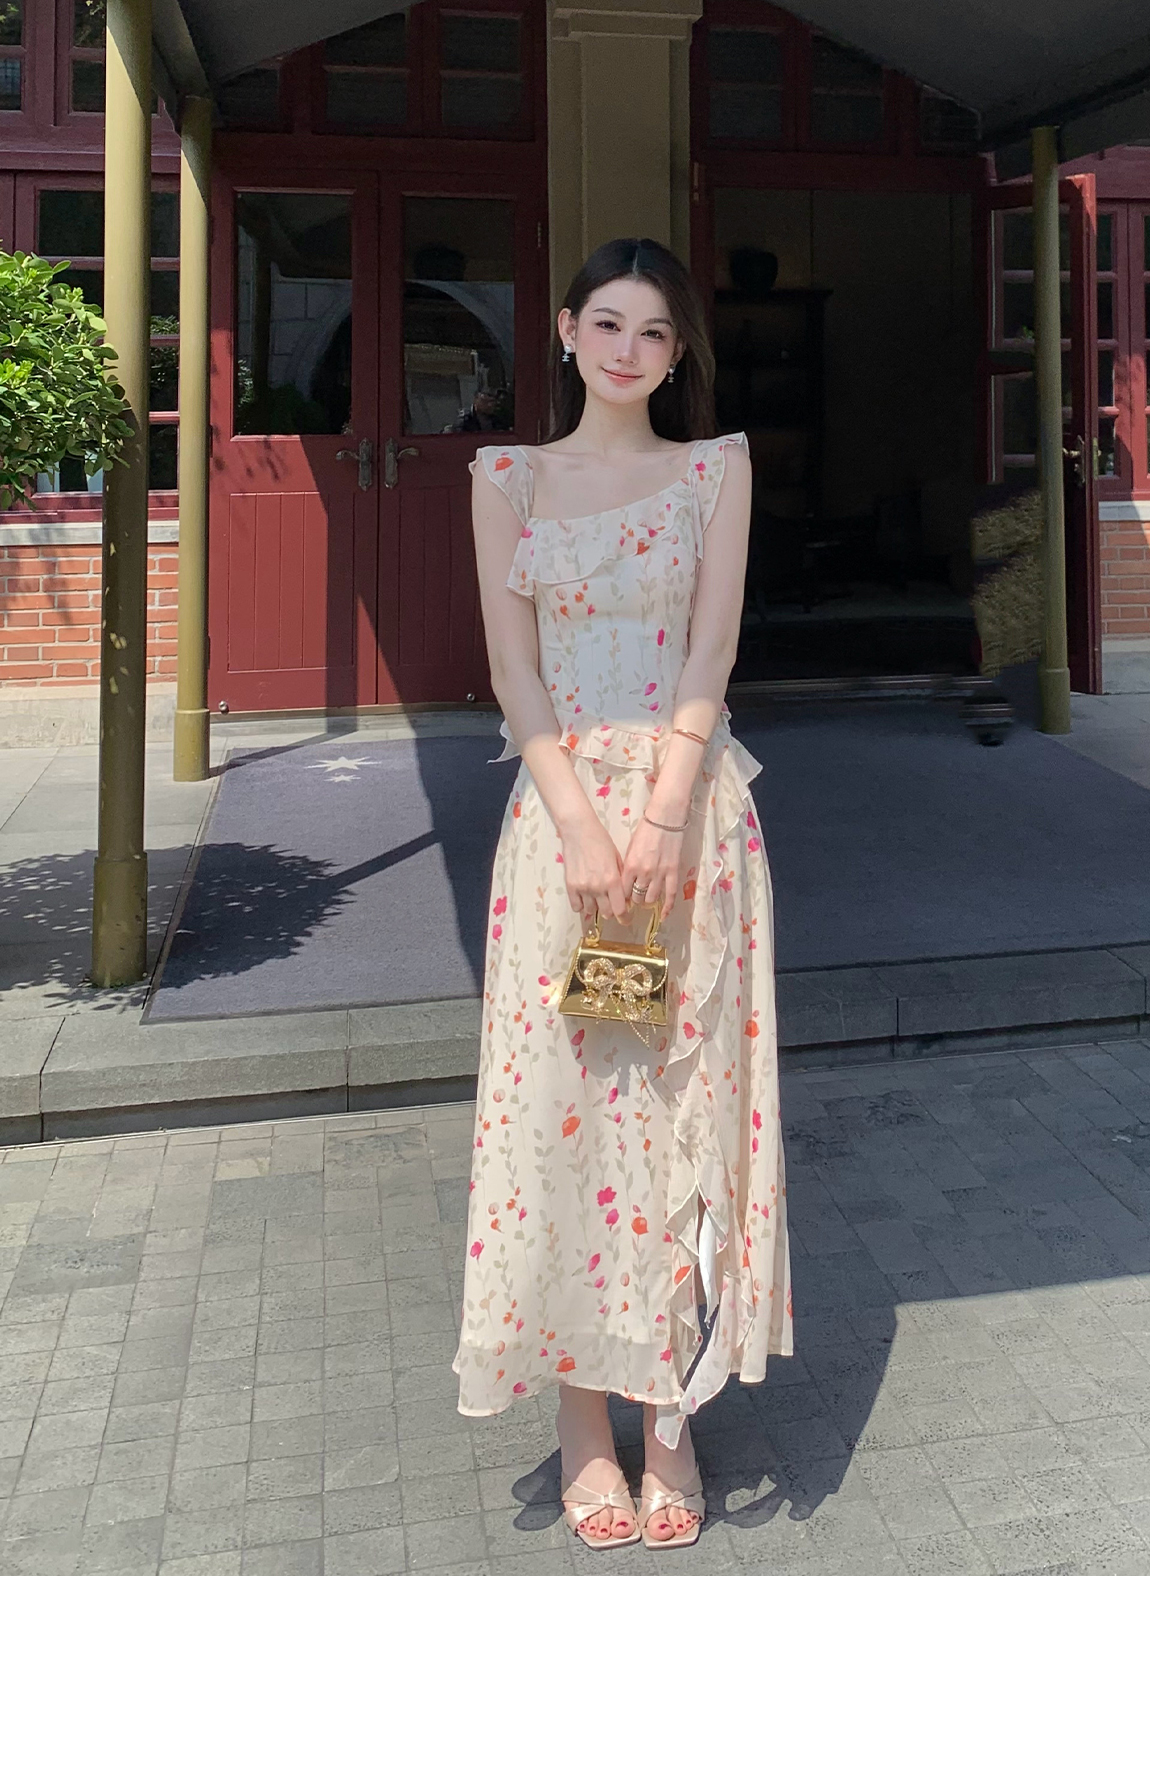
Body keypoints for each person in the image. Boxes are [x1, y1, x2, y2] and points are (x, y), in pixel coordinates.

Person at [454, 236, 792, 1550]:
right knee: (568, 1119)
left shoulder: (714, 472)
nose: (628, 350)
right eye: (607, 322)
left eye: (655, 331)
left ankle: (672, 1412)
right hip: (563, 836)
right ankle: (583, 1422)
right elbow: (513, 671)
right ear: (564, 330)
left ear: (677, 349)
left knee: (679, 1112)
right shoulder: (507, 480)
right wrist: (585, 829)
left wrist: (658, 814)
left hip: (689, 824)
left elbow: (713, 647)